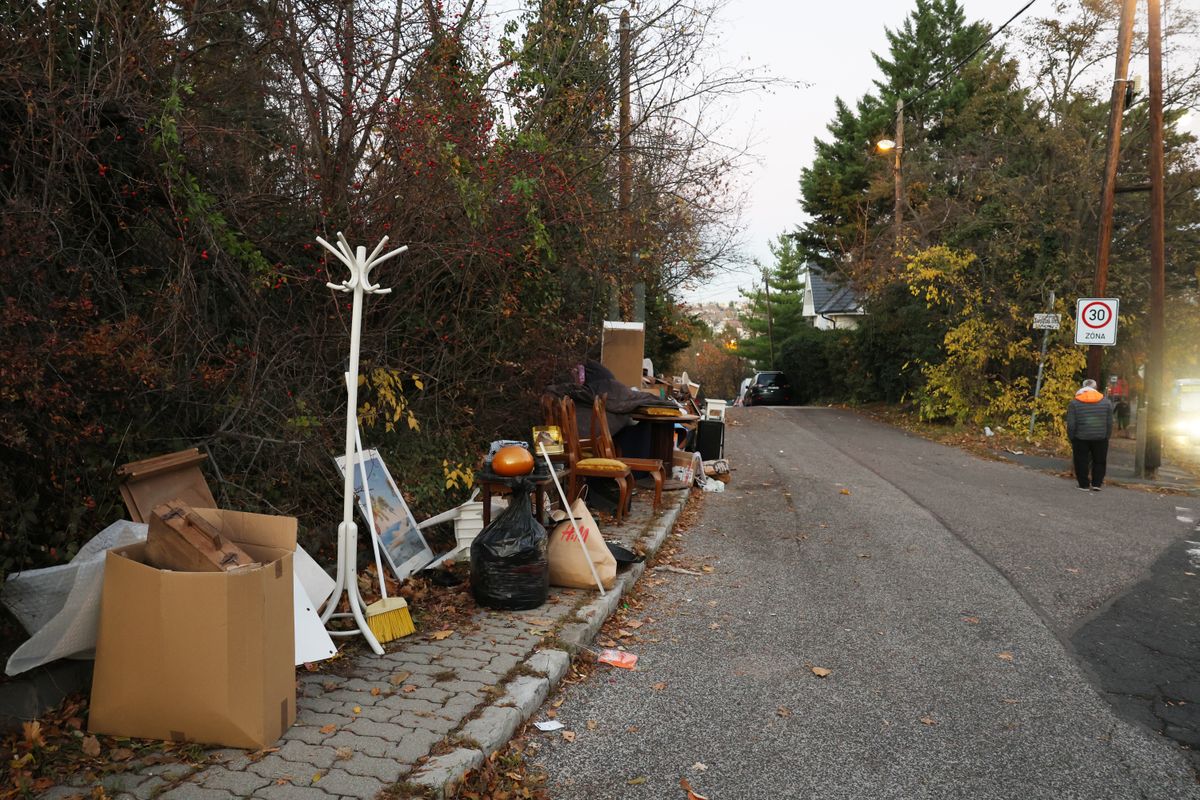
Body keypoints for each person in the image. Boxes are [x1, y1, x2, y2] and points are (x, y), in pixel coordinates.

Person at [1065, 378, 1113, 492]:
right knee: (1099, 460)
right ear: (1095, 388)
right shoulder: (1106, 402)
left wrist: (1072, 436)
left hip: (1080, 437)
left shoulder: (1074, 403)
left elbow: (1071, 424)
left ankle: (1083, 484)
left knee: (1081, 460)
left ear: (1082, 388)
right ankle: (1097, 483)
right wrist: (1107, 435)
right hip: (1101, 437)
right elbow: (1110, 422)